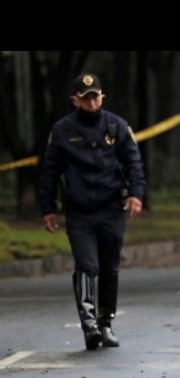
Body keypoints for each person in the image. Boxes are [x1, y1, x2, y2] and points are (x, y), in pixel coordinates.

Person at [39, 73, 146, 350]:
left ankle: (105, 322)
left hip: (111, 208)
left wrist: (136, 194)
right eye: (85, 98)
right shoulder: (62, 130)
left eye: (95, 97)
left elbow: (133, 162)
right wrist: (48, 207)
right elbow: (50, 171)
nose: (91, 102)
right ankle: (89, 324)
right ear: (75, 100)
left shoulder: (116, 126)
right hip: (80, 211)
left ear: (102, 97)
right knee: (87, 266)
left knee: (109, 267)